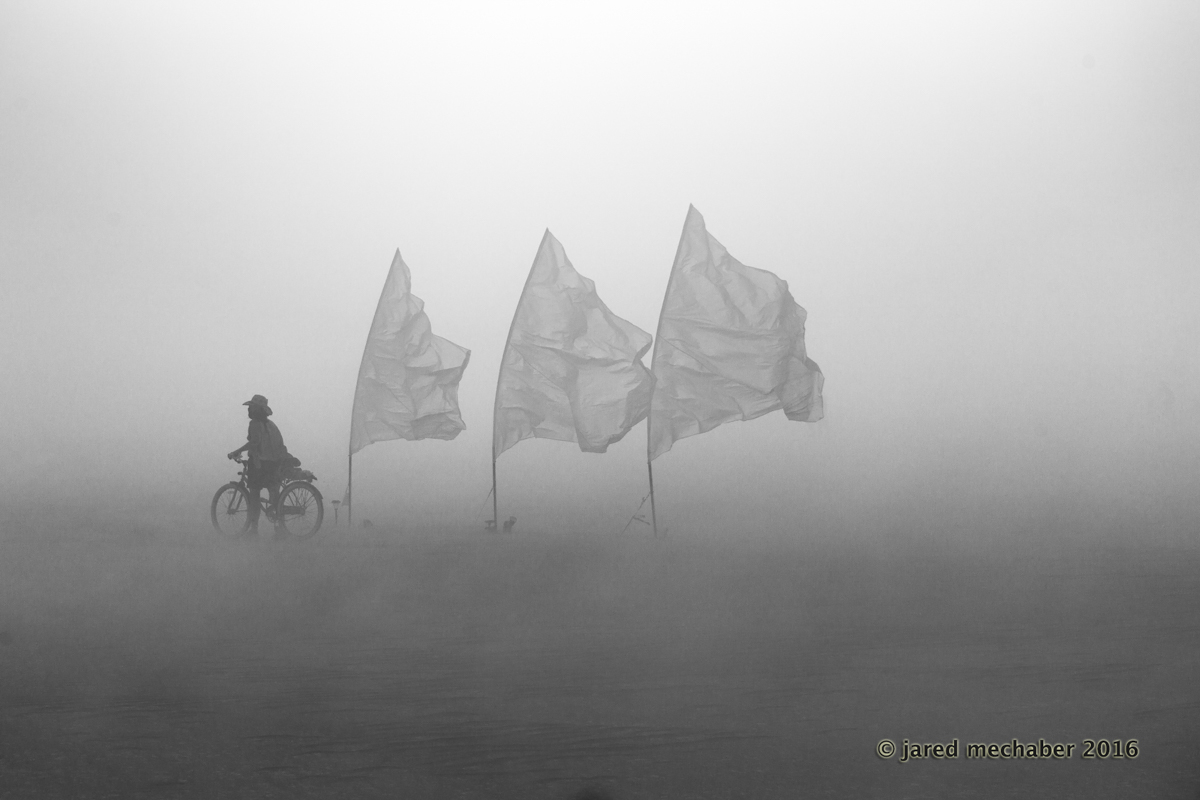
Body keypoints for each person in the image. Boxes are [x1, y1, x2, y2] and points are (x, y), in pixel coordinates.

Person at [227, 394, 289, 538]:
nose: (248, 410)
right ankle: (279, 528)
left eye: (251, 407)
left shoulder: (254, 424)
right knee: (274, 496)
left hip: (259, 464)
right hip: (274, 464)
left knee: (254, 496)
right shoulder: (272, 425)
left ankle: (254, 530)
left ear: (256, 410)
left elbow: (254, 443)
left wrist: (236, 452)